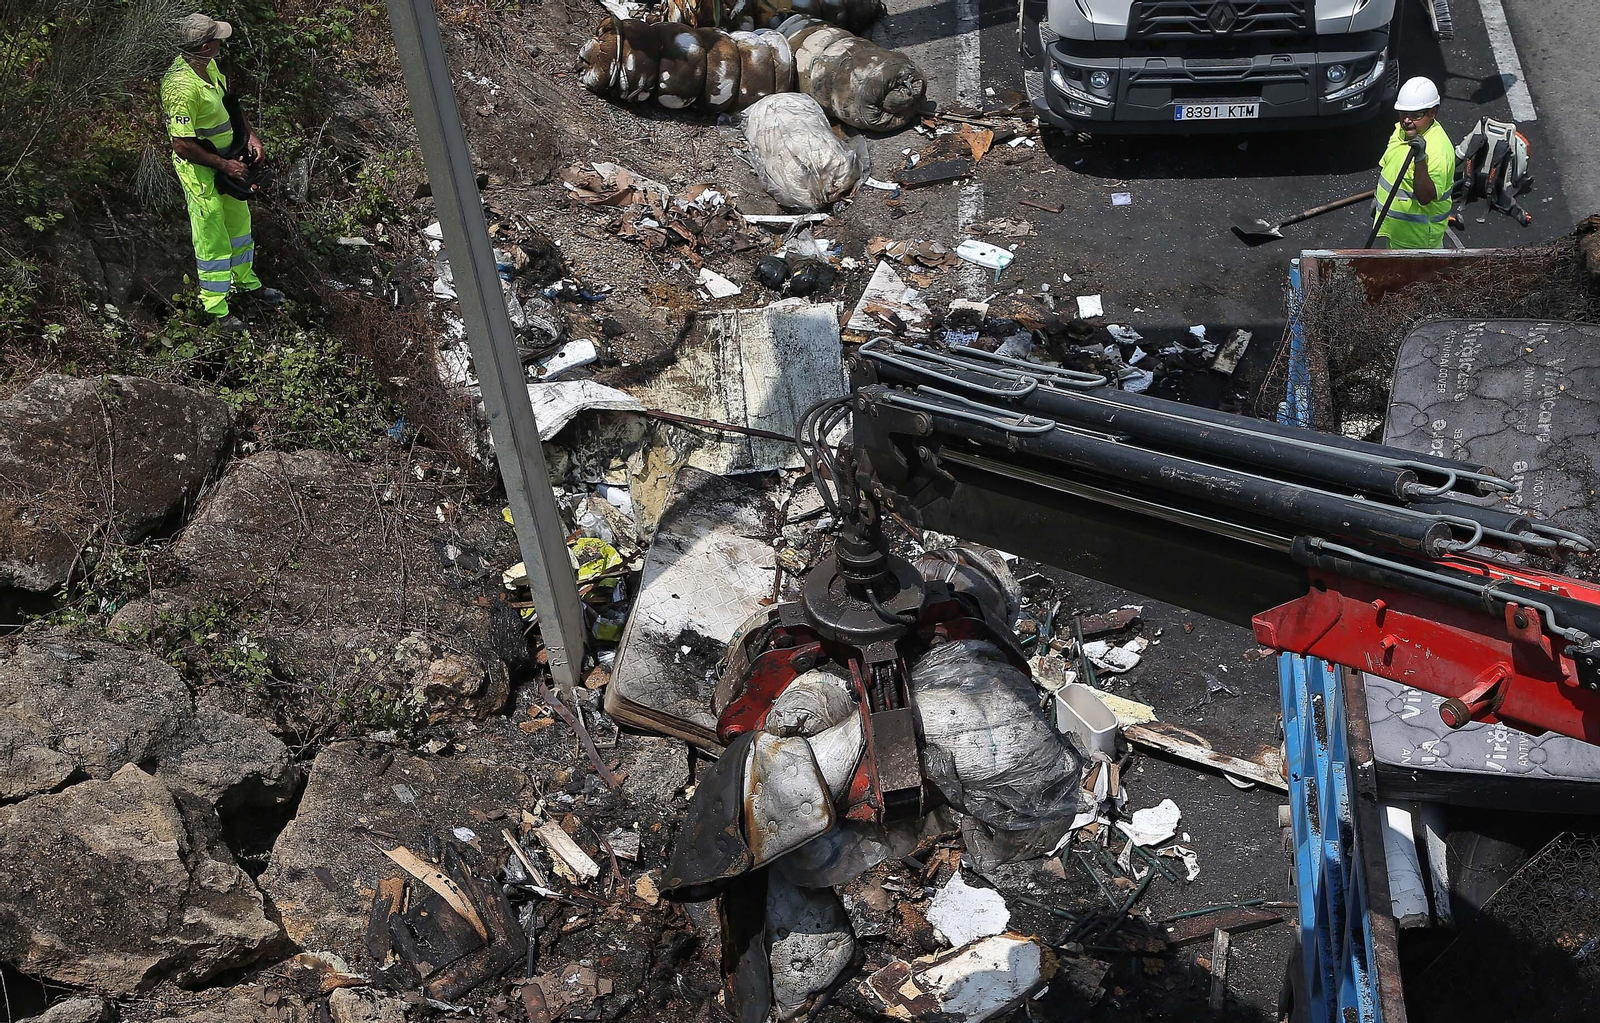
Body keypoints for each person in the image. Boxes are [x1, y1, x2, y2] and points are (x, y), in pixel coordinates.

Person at [162, 13, 283, 329]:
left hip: (230, 161)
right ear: (205, 46)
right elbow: (181, 145)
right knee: (212, 229)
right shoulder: (179, 87)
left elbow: (231, 107)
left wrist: (250, 137)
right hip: (201, 170)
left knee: (239, 223)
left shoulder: (208, 66)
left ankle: (246, 284)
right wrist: (224, 165)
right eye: (217, 39)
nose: (221, 43)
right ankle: (215, 307)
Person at [1371, 76, 1455, 250]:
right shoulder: (1401, 131)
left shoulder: (1438, 151)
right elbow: (1389, 167)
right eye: (1403, 113)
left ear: (1432, 112)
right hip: (1397, 230)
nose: (1407, 120)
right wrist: (1379, 199)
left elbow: (1425, 197)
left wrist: (1420, 159)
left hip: (1417, 240)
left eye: (1416, 115)